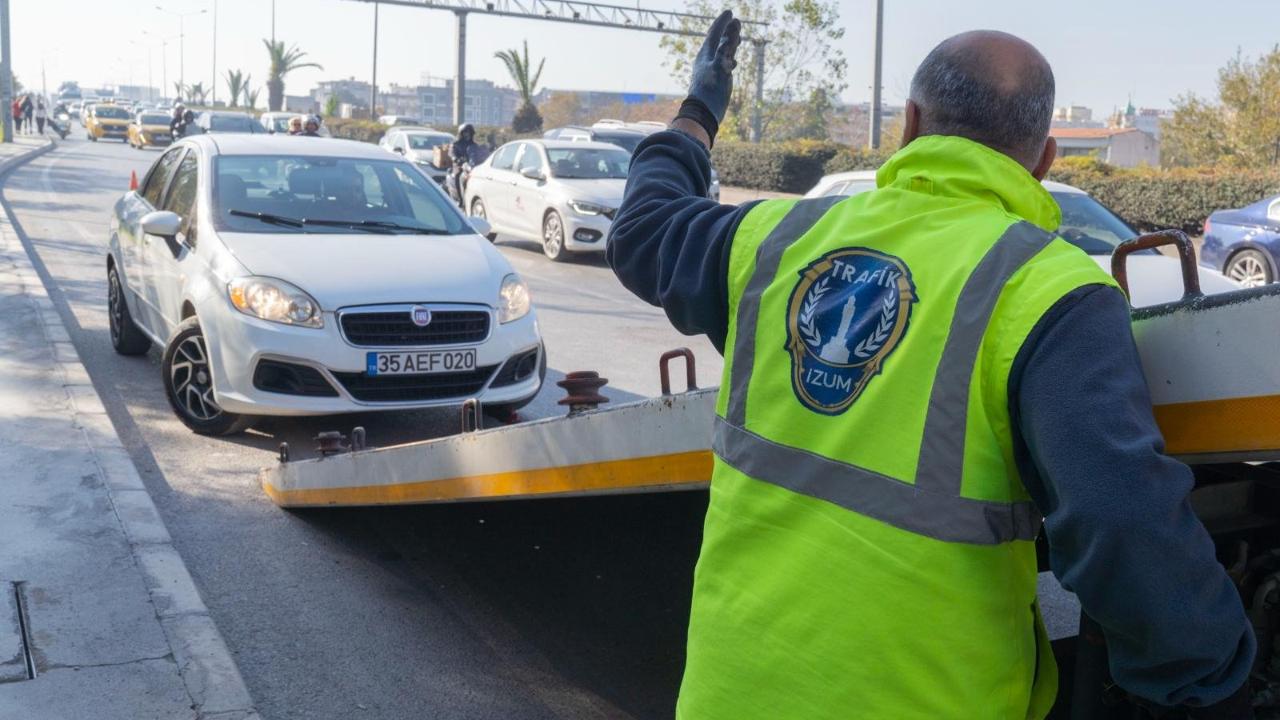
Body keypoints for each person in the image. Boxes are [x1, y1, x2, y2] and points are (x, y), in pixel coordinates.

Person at [607, 13, 1254, 720]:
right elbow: (1120, 520)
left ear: (909, 123)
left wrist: (698, 114)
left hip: (731, 693)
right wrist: (1208, 675)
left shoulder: (774, 239)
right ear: (1044, 157)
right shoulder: (1051, 292)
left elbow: (644, 228)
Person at [449, 123, 481, 207]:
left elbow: (477, 153)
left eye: (469, 132)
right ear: (461, 133)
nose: (467, 134)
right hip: (459, 166)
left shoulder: (474, 145)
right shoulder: (456, 144)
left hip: (471, 166)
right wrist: (456, 159)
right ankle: (460, 199)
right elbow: (451, 153)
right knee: (458, 176)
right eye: (465, 132)